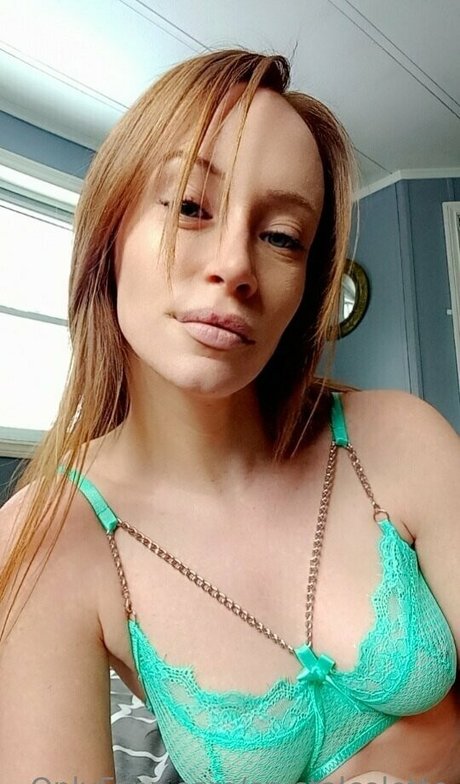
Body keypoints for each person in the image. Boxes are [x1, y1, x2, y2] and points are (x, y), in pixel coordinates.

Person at [0, 48, 458, 784]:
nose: (236, 266)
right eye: (189, 206)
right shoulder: (46, 542)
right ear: (111, 230)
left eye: (282, 237)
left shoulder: (400, 439)